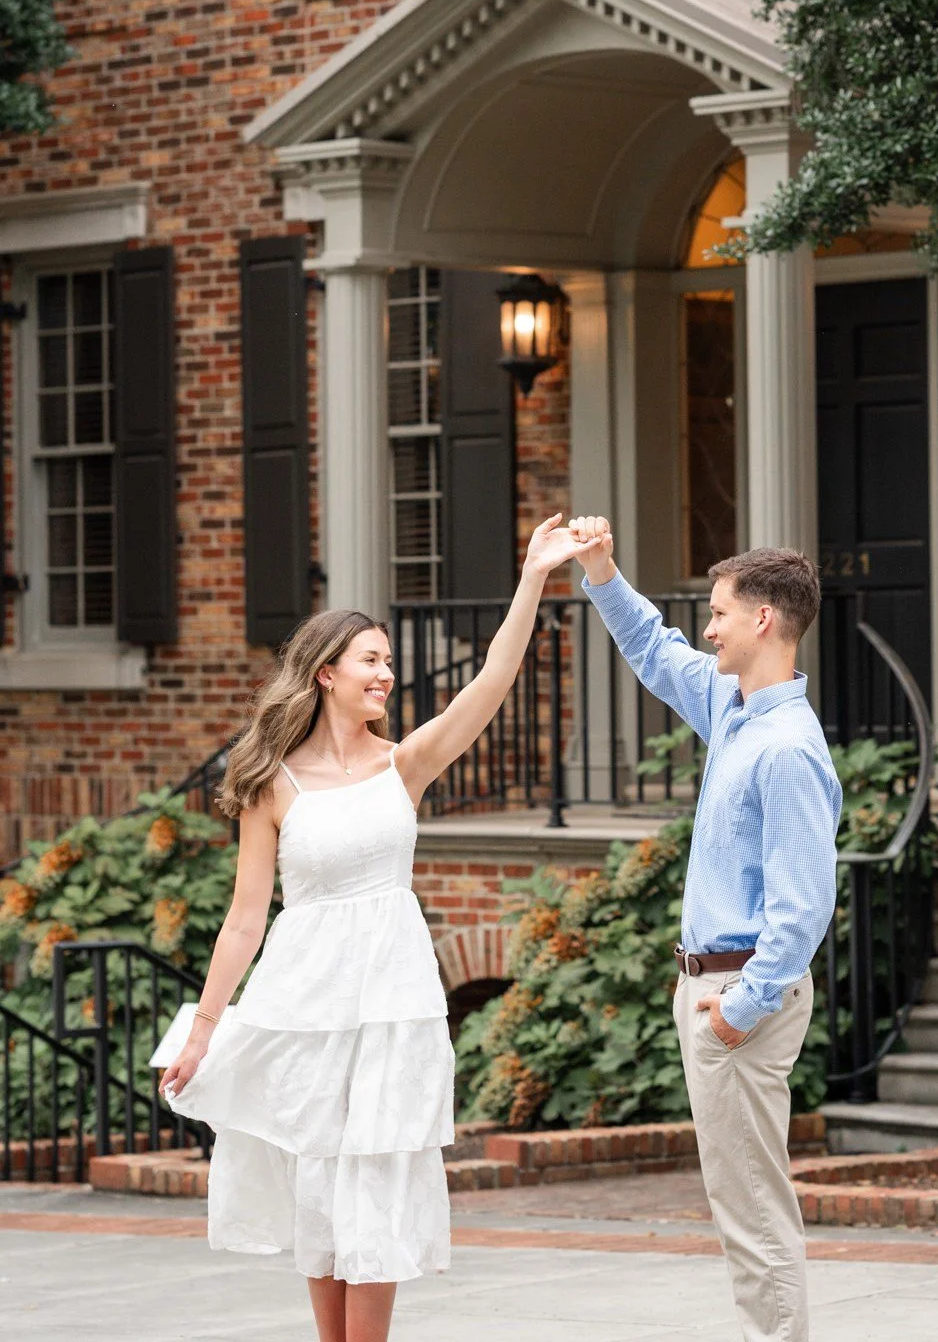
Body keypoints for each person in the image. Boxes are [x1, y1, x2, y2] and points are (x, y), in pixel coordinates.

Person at [160, 513, 601, 1342]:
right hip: (307, 1003)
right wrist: (205, 1031)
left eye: (390, 662)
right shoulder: (271, 783)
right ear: (326, 674)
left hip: (392, 1005)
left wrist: (535, 577)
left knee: (381, 1184)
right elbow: (244, 919)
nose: (388, 675)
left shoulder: (407, 765)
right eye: (373, 660)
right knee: (321, 1187)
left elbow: (493, 683)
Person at [571, 518, 841, 1342]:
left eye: (720, 612)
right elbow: (655, 649)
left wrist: (736, 1009)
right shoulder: (733, 709)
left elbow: (801, 910)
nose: (709, 627)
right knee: (743, 1206)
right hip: (712, 987)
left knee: (754, 1212)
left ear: (765, 619)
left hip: (738, 999)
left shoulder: (787, 749)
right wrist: (602, 570)